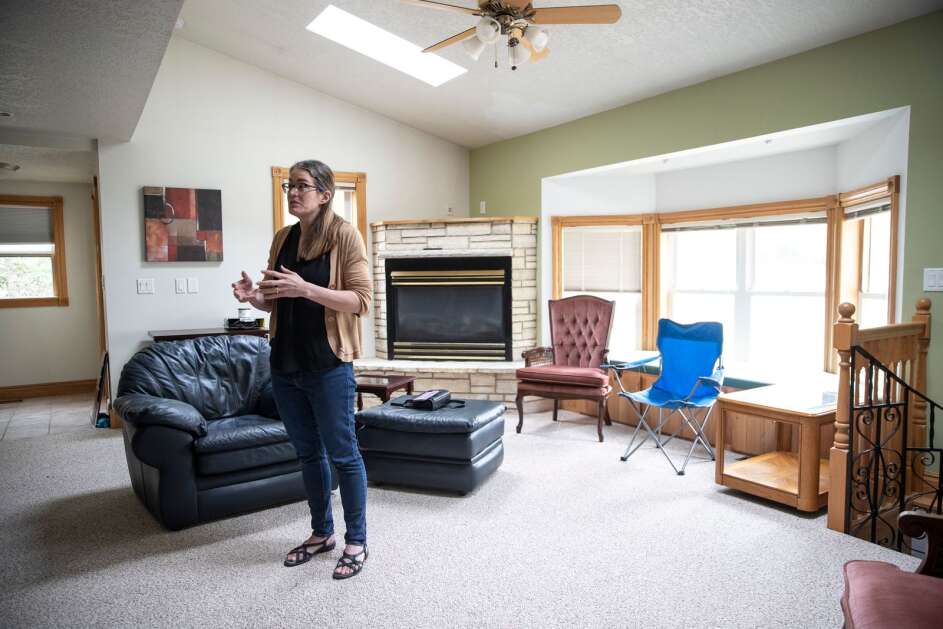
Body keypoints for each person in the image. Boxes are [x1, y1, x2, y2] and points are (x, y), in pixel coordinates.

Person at [232, 159, 372, 580]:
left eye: (303, 186)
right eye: (289, 186)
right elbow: (278, 300)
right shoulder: (283, 238)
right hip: (285, 364)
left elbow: (362, 300)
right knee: (308, 454)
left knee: (344, 455)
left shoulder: (345, 236)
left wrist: (305, 288)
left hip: (328, 364)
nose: (293, 192)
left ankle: (357, 541)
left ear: (325, 194)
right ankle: (321, 533)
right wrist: (254, 299)